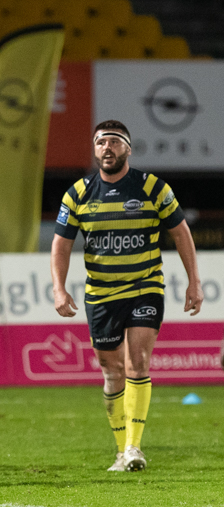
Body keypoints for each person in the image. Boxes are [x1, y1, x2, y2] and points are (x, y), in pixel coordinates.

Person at [51, 121, 203, 473]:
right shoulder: (78, 193)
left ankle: (134, 447)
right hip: (101, 294)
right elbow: (61, 244)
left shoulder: (152, 187)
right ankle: (121, 450)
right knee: (111, 371)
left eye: (115, 142)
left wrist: (194, 281)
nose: (107, 148)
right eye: (101, 142)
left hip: (144, 287)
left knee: (138, 362)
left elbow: (181, 233)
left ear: (128, 149)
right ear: (94, 149)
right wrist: (59, 288)